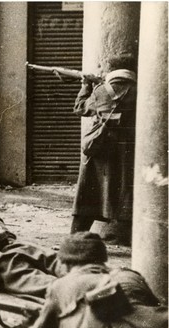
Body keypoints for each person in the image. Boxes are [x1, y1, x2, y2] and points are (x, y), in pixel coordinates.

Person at [24, 232, 168, 328]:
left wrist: (31, 327)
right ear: (101, 258)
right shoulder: (131, 276)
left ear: (65, 263)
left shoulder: (60, 286)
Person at [71, 53, 137, 245]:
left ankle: (75, 242)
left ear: (111, 70)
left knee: (89, 194)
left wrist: (86, 86)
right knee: (127, 192)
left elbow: (80, 108)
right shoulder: (139, 90)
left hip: (101, 149)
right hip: (129, 150)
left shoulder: (101, 90)